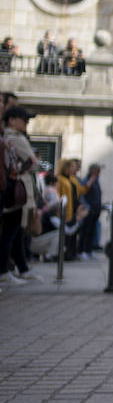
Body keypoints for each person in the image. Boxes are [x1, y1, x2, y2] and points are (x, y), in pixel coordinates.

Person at [2, 106, 41, 282]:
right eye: (23, 119)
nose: (26, 123)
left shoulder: (13, 137)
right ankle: (5, 271)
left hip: (17, 189)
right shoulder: (14, 138)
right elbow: (33, 163)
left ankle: (20, 268)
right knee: (11, 232)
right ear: (11, 120)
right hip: (15, 190)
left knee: (16, 232)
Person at [56, 159, 88, 261]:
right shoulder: (60, 179)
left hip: (74, 209)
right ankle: (64, 255)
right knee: (66, 233)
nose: (73, 169)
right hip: (66, 209)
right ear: (65, 168)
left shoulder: (72, 179)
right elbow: (58, 195)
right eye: (71, 167)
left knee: (73, 232)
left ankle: (71, 253)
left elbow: (81, 190)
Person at [77, 163, 103, 260]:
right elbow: (83, 193)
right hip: (89, 210)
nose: (99, 172)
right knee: (85, 231)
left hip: (95, 210)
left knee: (92, 231)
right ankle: (82, 250)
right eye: (98, 170)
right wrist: (87, 207)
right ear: (92, 170)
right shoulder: (88, 180)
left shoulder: (96, 181)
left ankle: (89, 250)